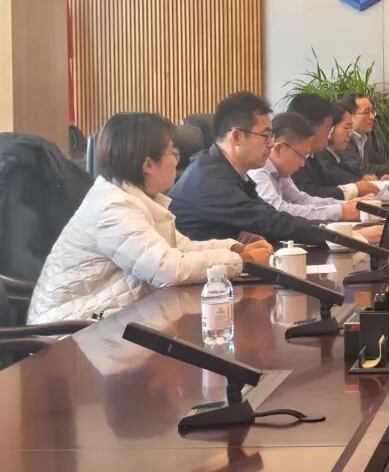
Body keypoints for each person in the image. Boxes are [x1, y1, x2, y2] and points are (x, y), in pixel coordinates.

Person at [27, 112, 273, 324]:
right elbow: (168, 269)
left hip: (109, 321)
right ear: (148, 165)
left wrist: (234, 248)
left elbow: (181, 248)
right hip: (70, 335)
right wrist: (243, 261)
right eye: (172, 152)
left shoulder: (137, 198)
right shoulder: (113, 208)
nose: (177, 161)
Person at [169, 92, 344, 245]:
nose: (271, 144)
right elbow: (269, 221)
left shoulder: (232, 172)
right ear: (236, 136)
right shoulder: (209, 179)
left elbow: (267, 214)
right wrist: (338, 236)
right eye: (265, 135)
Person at [246, 112, 382, 243]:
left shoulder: (280, 170)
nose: (302, 164)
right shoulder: (258, 171)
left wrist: (346, 205)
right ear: (279, 149)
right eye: (302, 156)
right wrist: (341, 212)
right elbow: (279, 210)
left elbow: (301, 199)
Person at [287, 93, 378, 200]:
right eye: (329, 127)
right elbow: (308, 194)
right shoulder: (291, 157)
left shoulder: (312, 156)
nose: (329, 133)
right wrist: (354, 189)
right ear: (310, 126)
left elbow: (325, 186)